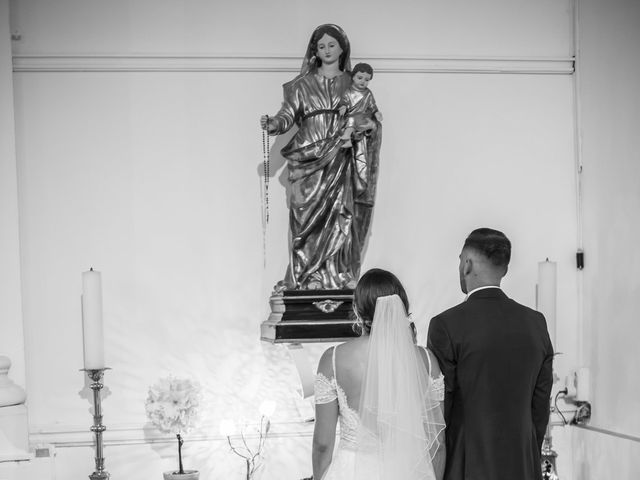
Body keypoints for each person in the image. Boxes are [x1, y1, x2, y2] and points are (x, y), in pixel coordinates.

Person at [260, 25, 381, 291]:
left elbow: (369, 115)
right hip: (307, 156)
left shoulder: (354, 82)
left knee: (341, 212)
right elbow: (288, 115)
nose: (326, 50)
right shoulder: (300, 85)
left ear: (342, 48)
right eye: (321, 46)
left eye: (332, 45)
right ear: (314, 51)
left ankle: (336, 274)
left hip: (341, 152)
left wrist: (364, 124)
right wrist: (273, 124)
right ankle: (304, 277)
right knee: (304, 215)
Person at [427, 228, 554, 480]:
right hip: (523, 465)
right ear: (504, 269)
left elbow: (440, 411)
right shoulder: (536, 323)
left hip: (466, 465)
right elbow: (540, 408)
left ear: (467, 264)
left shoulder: (446, 325)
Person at [312, 268, 446, 480]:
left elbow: (322, 444)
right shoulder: (426, 360)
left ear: (357, 309)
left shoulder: (334, 359)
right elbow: (437, 444)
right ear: (400, 306)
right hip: (410, 471)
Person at [338, 62, 383, 149]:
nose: (363, 81)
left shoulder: (368, 93)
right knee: (349, 120)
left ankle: (347, 136)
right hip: (351, 117)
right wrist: (343, 106)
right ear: (353, 77)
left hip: (362, 117)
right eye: (360, 78)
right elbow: (344, 101)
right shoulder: (348, 92)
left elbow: (372, 105)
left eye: (367, 80)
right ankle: (348, 141)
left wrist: (377, 112)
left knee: (352, 120)